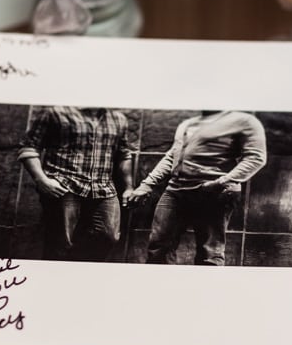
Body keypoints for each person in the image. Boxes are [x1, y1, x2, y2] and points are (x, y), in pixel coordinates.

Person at [126, 110, 267, 266]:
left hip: (213, 193)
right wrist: (147, 183)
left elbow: (256, 158)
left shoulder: (244, 121)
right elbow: (172, 155)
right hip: (176, 190)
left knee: (209, 253)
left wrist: (221, 183)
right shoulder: (187, 123)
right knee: (158, 248)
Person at [18, 106, 133, 261]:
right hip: (64, 184)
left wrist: (128, 187)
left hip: (103, 187)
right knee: (60, 244)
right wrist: (41, 180)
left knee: (109, 236)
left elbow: (124, 155)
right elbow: (29, 147)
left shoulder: (119, 119)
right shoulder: (56, 112)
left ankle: (78, 269)